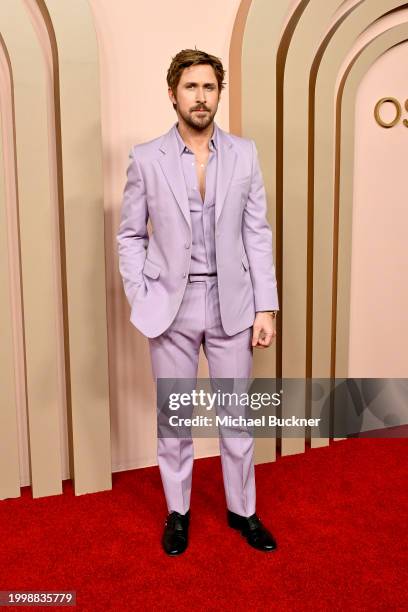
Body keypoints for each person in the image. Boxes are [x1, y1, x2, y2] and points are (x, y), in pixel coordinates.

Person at [116, 49, 279, 555]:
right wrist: (142, 292)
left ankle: (243, 512)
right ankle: (179, 512)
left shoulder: (245, 154)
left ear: (218, 94)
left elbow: (258, 234)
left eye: (209, 87)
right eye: (191, 87)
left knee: (237, 419)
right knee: (175, 420)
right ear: (173, 94)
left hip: (233, 301)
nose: (201, 97)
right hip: (172, 305)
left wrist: (265, 307)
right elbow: (129, 236)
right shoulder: (146, 158)